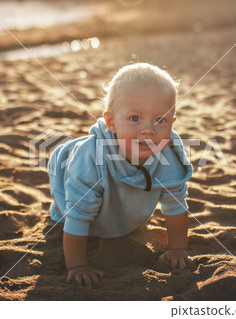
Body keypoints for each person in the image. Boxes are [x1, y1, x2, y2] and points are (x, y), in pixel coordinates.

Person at [48, 63, 194, 287]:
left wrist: (177, 248)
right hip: (72, 189)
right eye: (135, 118)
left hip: (126, 210)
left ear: (172, 123)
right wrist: (77, 266)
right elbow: (76, 214)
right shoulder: (90, 161)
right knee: (66, 212)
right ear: (111, 122)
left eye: (160, 120)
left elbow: (176, 204)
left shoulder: (170, 154)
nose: (149, 130)